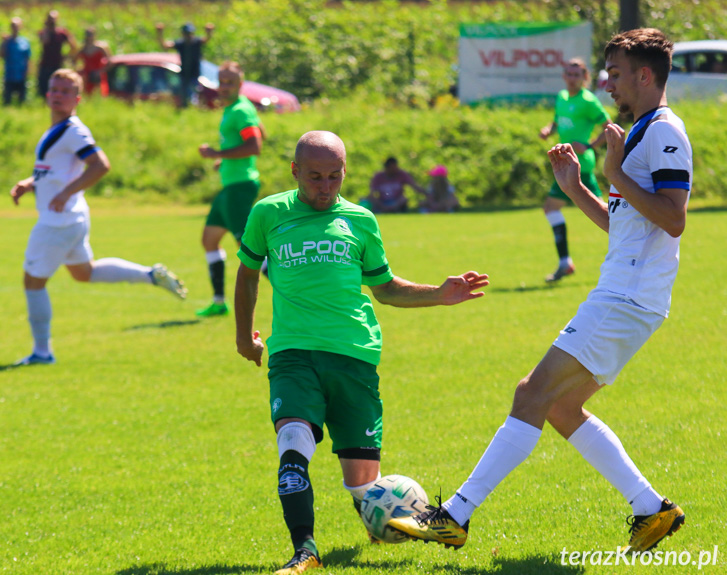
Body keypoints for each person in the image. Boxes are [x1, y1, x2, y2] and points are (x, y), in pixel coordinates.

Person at [388, 28, 691, 557]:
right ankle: (651, 508)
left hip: (626, 298)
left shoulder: (663, 132)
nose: (607, 85)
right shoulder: (641, 128)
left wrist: (614, 170)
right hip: (626, 296)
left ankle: (455, 516)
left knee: (531, 394)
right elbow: (627, 224)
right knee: (560, 408)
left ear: (645, 75)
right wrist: (578, 187)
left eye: (615, 75)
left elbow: (673, 218)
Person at [234, 130, 489, 574]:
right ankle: (305, 552)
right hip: (294, 354)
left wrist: (439, 294)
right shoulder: (268, 213)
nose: (325, 187)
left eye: (334, 177)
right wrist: (243, 337)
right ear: (295, 171)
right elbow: (247, 275)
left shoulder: (361, 220)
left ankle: (387, 523)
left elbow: (386, 288)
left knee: (363, 489)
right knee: (293, 443)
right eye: (314, 177)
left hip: (355, 358)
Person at [10, 69, 187, 365]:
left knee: (32, 283)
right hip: (73, 219)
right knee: (84, 273)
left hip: (58, 222)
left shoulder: (74, 131)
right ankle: (149, 275)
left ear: (77, 99)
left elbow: (100, 165)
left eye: (65, 92)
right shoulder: (57, 129)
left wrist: (66, 193)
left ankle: (42, 353)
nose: (57, 95)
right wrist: (30, 183)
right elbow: (53, 170)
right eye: (54, 89)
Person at [195, 61, 263, 317]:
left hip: (240, 186)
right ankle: (219, 302)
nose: (224, 87)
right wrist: (224, 159)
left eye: (229, 83)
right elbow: (259, 134)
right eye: (221, 82)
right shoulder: (234, 109)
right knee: (209, 240)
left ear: (240, 84)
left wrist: (218, 152)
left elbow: (255, 145)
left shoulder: (240, 110)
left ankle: (294, 292)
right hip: (230, 186)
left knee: (248, 248)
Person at [538, 58, 612, 283]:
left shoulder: (588, 101)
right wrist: (549, 129)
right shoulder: (561, 97)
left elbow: (608, 126)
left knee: (607, 218)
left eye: (576, 75)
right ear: (563, 76)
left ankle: (631, 255)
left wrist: (589, 145)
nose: (572, 79)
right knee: (553, 209)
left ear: (584, 78)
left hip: (581, 165)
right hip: (564, 165)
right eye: (568, 74)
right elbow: (558, 121)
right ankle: (565, 263)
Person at [155, 21, 214, 108]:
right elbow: (165, 46)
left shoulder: (196, 42)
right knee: (183, 97)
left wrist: (209, 32)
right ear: (183, 34)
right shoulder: (180, 44)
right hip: (184, 75)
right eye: (186, 33)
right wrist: (159, 33)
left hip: (195, 75)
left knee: (194, 96)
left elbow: (206, 39)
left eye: (190, 33)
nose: (188, 36)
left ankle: (193, 110)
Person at [37, 10, 77, 99]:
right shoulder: (43, 32)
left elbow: (73, 46)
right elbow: (45, 41)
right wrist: (47, 28)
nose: (52, 21)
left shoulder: (62, 33)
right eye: (50, 19)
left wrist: (66, 57)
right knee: (43, 88)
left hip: (57, 65)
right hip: (45, 64)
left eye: (53, 19)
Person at [0, 17, 32, 106]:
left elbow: (28, 58)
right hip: (9, 74)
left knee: (21, 100)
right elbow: (1, 55)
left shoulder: (25, 42)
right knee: (7, 100)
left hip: (21, 74)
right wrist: (3, 43)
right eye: (13, 26)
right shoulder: (7, 41)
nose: (15, 28)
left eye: (17, 26)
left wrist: (28, 71)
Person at [77, 26, 111, 96]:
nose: (89, 37)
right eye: (88, 35)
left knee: (99, 92)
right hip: (87, 73)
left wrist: (101, 71)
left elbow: (109, 61)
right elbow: (74, 59)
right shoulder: (83, 48)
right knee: (86, 93)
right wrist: (79, 69)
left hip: (97, 73)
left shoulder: (100, 47)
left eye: (90, 35)